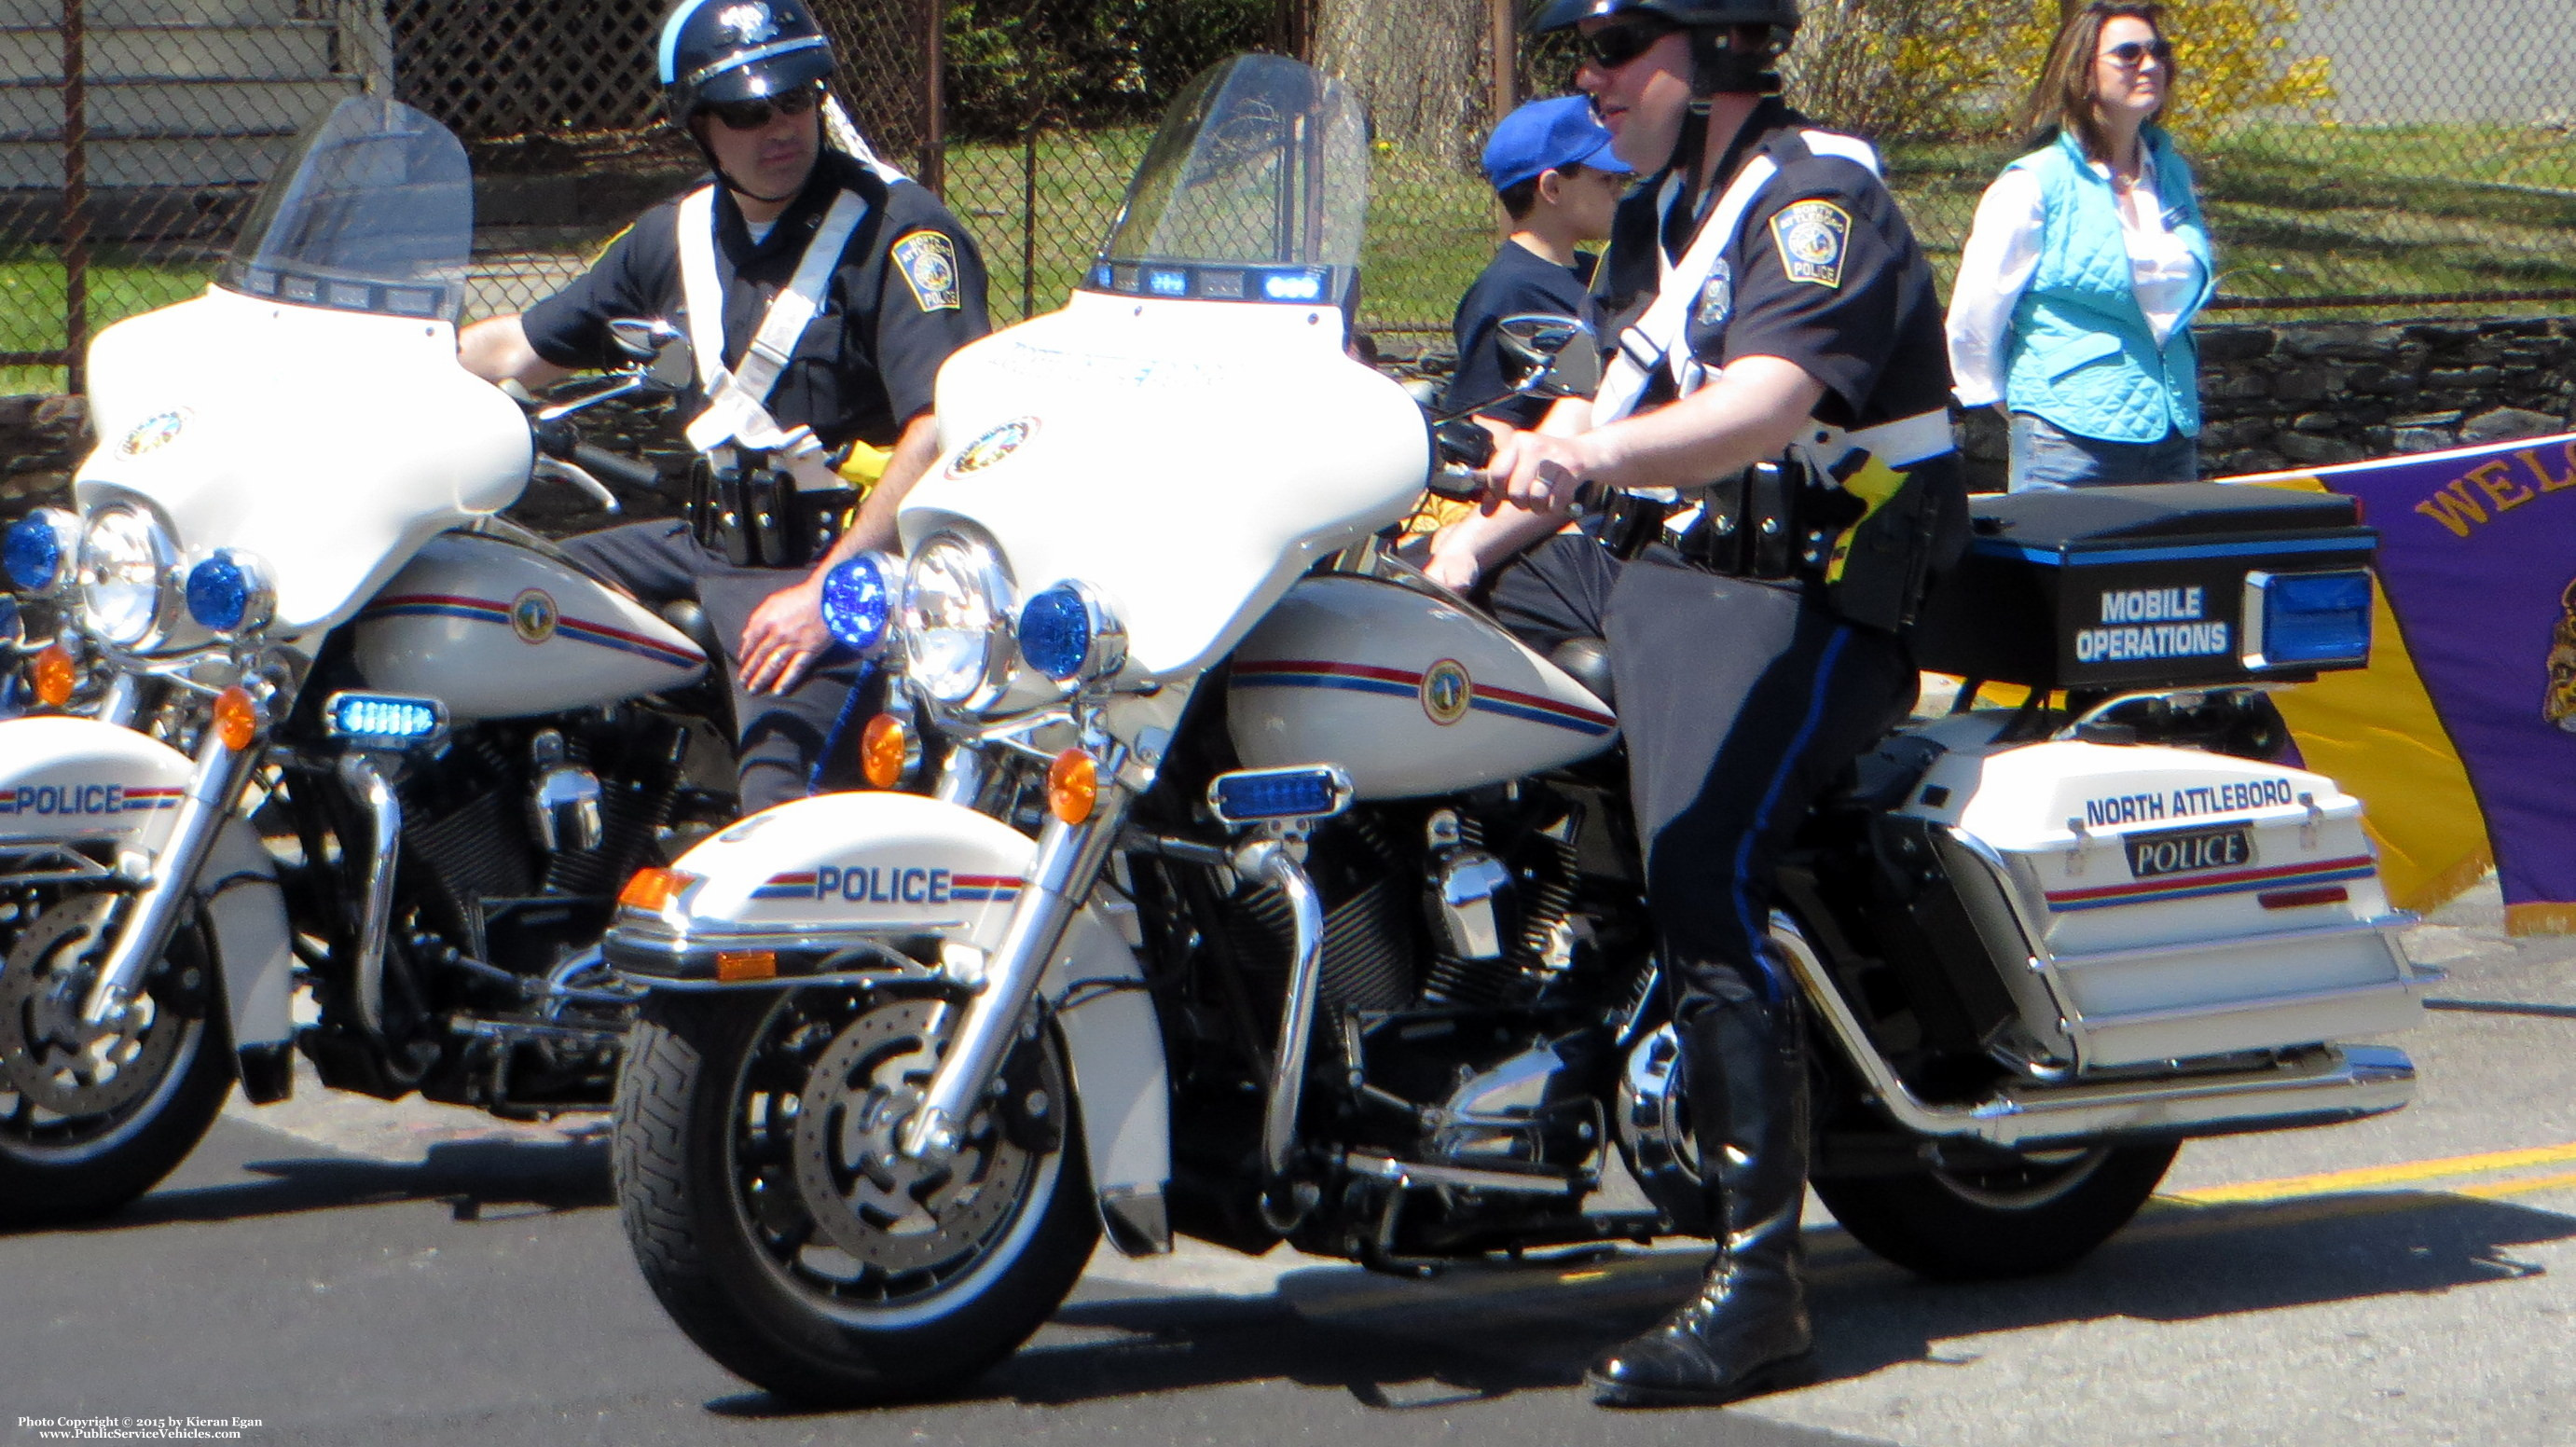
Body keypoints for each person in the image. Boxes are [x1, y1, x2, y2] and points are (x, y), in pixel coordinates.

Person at [1436, 0, 1964, 1407]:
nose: (1587, 76)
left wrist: (1584, 464)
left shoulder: (1815, 196)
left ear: (1715, 45)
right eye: (1584, 51)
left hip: (1807, 596)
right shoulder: (1662, 212)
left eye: (1616, 45)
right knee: (1401, 652)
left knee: (1699, 865)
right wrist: (1453, 552)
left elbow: (1763, 407)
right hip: (1670, 567)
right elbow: (1599, 396)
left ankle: (1756, 1284)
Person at [458, 0, 989, 811]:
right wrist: (389, 362)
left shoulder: (900, 231)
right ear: (697, 123)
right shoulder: (673, 235)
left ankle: (804, 935)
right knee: (491, 609)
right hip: (708, 541)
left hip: (845, 561)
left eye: (797, 99)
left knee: (780, 812)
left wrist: (823, 595)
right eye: (747, 111)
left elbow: (940, 424)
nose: (780, 126)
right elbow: (516, 351)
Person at [1945, 0, 2211, 490]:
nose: (2150, 65)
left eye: (2159, 52)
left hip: (2171, 430)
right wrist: (2020, 407)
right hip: (2066, 437)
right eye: (2128, 54)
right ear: (2083, 71)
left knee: (2168, 569)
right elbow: (1975, 315)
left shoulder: (2169, 170)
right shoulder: (2034, 182)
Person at [1442, 95, 1632, 429]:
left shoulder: (1599, 271)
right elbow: (1491, 429)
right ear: (1553, 188)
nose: (1620, 192)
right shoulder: (1508, 291)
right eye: (1606, 180)